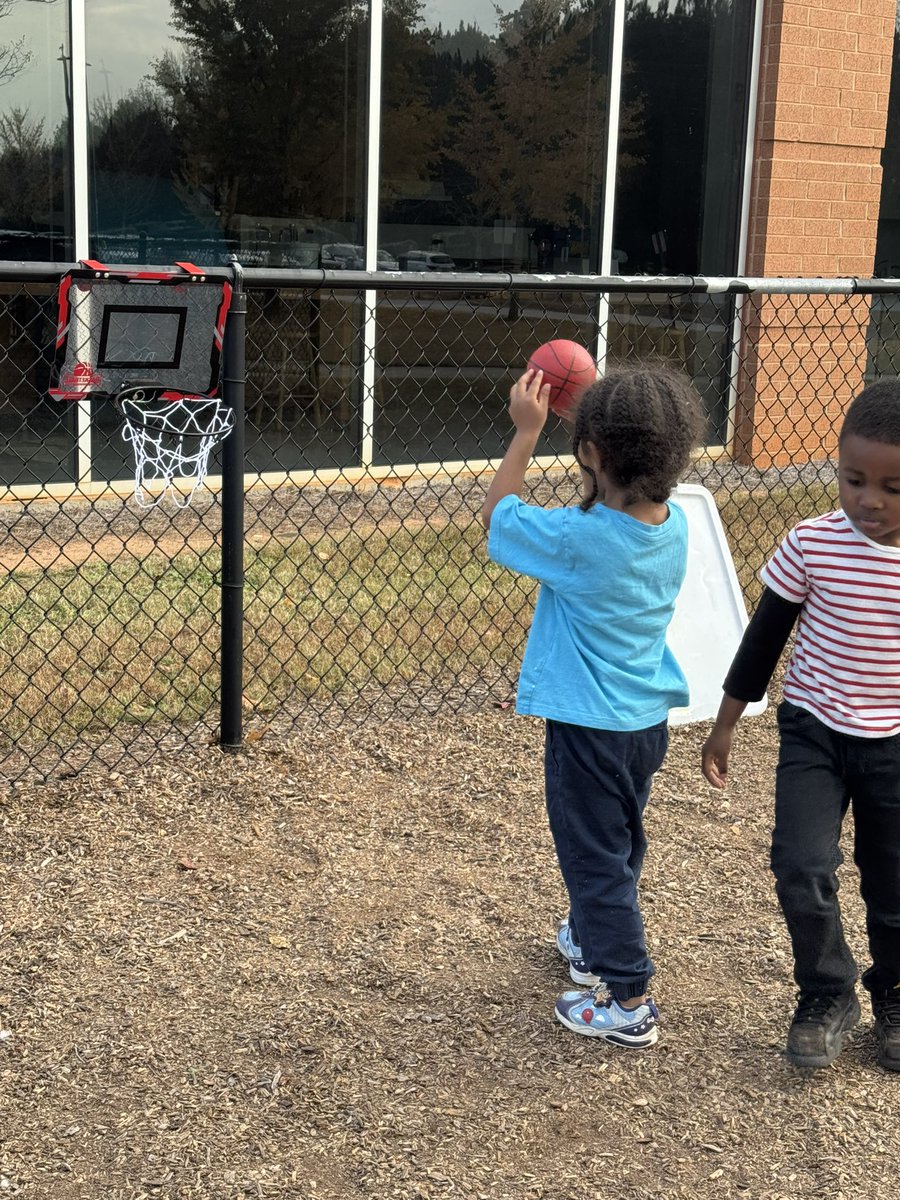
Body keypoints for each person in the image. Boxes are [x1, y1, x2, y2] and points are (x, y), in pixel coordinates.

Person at [482, 362, 705, 1047]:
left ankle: (628, 997)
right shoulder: (673, 527)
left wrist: (525, 433)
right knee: (619, 842)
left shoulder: (581, 543)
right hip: (642, 724)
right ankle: (587, 938)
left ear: (591, 453)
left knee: (593, 855)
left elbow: (498, 518)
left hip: (589, 729)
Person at [701, 378, 900, 1072]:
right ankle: (827, 992)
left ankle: (895, 996)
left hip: (894, 746)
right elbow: (763, 640)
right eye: (853, 479)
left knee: (894, 882)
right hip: (814, 732)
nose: (868, 499)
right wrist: (725, 723)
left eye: (891, 487)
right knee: (800, 867)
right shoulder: (811, 543)